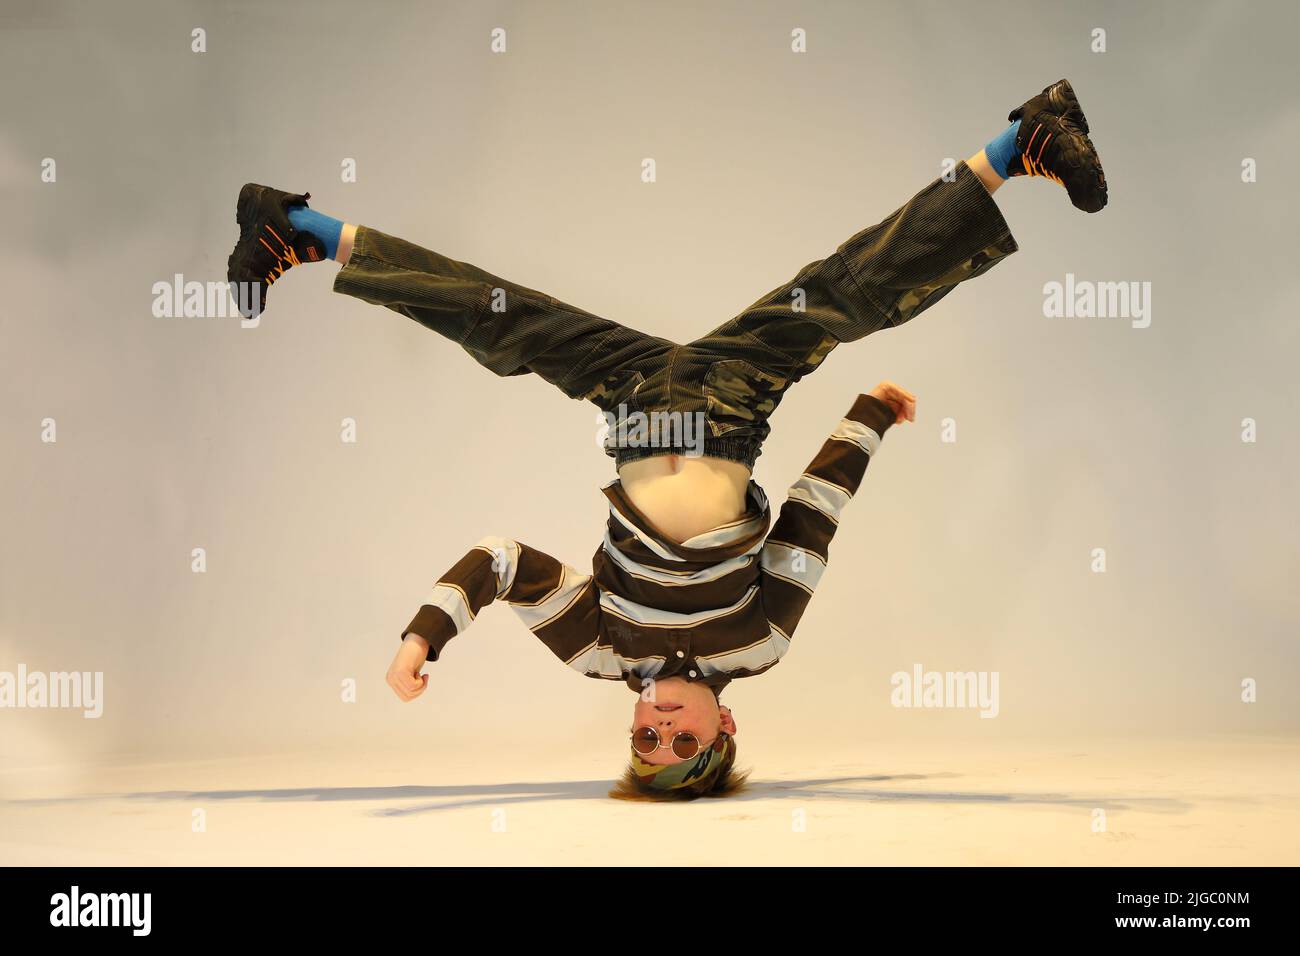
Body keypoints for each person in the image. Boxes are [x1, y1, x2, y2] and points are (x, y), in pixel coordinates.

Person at [226, 79, 1106, 800]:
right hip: (731, 403)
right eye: (677, 740)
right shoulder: (758, 645)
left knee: (499, 316)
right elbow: (810, 521)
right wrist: (868, 416)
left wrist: (422, 638)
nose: (656, 725)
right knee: (842, 294)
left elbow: (499, 563)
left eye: (642, 741)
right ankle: (1021, 143)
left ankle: (298, 232)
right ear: (725, 730)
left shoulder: (601, 650)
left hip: (638, 408)